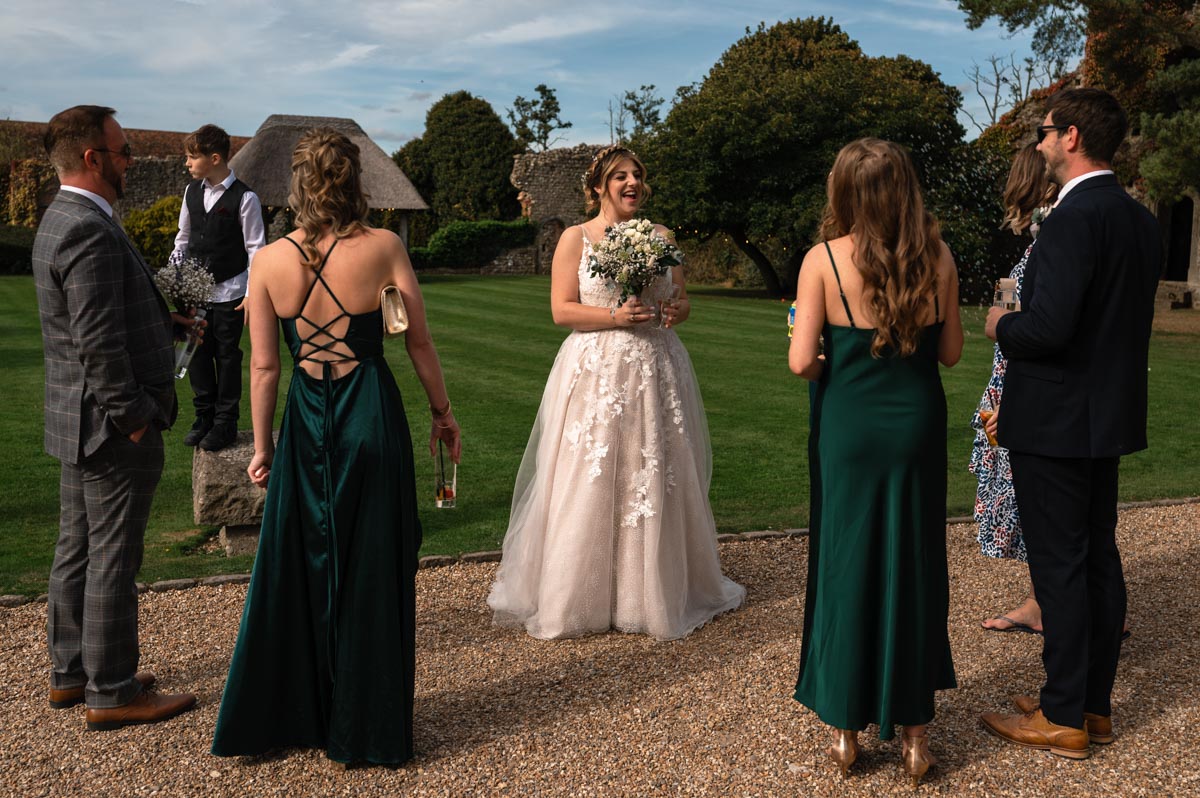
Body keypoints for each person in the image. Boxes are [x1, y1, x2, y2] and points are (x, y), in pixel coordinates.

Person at [210, 129, 460, 765]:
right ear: (356, 181)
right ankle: (367, 728)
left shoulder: (266, 262)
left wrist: (262, 447)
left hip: (305, 420)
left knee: (299, 565)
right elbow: (418, 342)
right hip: (369, 414)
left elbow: (264, 369)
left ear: (296, 184)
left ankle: (293, 716)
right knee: (375, 563)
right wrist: (442, 412)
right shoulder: (383, 247)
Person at [487, 145, 744, 641]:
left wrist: (677, 311)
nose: (632, 183)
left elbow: (683, 298)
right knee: (592, 473)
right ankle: (579, 596)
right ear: (599, 186)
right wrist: (613, 317)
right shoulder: (575, 238)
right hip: (597, 371)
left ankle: (647, 593)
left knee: (653, 471)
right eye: (620, 176)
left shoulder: (662, 237)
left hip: (656, 366)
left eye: (638, 176)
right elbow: (562, 311)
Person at [981, 88, 1160, 759]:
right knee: (1096, 562)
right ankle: (1091, 706)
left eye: (1046, 132)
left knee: (1061, 566)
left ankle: (1061, 717)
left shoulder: (1072, 219)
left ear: (1073, 136)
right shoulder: (1141, 221)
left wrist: (1003, 325)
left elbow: (1050, 330)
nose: (1039, 143)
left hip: (1055, 420)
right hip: (1106, 415)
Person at [789, 138, 963, 787]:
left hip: (850, 429)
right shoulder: (938, 257)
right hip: (915, 426)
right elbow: (949, 355)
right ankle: (916, 738)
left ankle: (845, 731)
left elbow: (802, 361)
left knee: (846, 563)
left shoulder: (822, 261)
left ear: (845, 193)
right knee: (914, 567)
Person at [33, 105, 197, 730]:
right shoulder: (88, 229)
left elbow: (97, 322)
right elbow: (98, 344)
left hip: (76, 420)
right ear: (93, 158)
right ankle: (112, 690)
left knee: (76, 546)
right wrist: (133, 416)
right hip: (108, 425)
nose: (132, 161)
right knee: (112, 556)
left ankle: (70, 674)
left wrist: (166, 321)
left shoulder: (64, 218)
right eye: (124, 150)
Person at [973, 143, 1058, 634]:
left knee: (1033, 498)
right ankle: (1045, 599)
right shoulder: (1025, 243)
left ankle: (1047, 604)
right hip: (1013, 371)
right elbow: (1000, 310)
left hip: (1022, 378)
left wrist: (1003, 318)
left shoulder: (1046, 238)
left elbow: (1000, 319)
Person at [173, 123, 267, 452]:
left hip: (231, 292)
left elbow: (256, 249)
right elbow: (182, 239)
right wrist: (175, 276)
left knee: (228, 358)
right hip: (195, 291)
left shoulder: (246, 198)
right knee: (195, 355)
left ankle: (225, 423)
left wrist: (253, 293)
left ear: (214, 158)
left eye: (192, 157)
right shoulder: (191, 192)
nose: (187, 163)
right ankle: (204, 417)